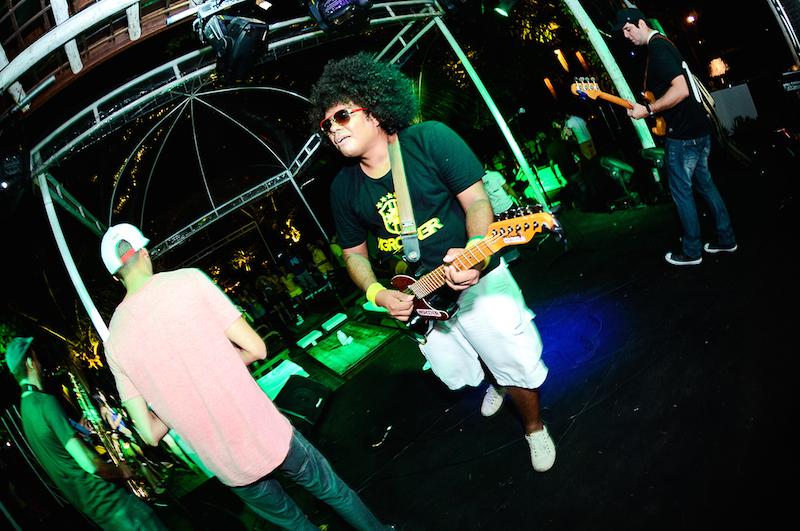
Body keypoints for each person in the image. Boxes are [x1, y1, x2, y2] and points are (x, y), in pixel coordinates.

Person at [308, 52, 556, 472]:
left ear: (374, 110)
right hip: (420, 297)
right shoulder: (342, 188)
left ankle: (534, 426)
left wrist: (475, 248)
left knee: (513, 359)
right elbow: (353, 255)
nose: (333, 128)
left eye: (342, 115)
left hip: (476, 276)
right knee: (460, 374)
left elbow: (477, 201)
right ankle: (494, 378)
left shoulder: (430, 140)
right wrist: (378, 292)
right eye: (326, 124)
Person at [99, 223, 387, 530]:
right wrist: (219, 365)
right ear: (144, 252)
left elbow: (149, 434)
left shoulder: (114, 343)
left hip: (229, 467)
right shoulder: (188, 281)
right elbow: (257, 348)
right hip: (269, 434)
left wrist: (175, 400)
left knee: (296, 524)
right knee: (335, 493)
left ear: (116, 276)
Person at [614, 7, 737, 265]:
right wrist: (648, 105)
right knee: (706, 185)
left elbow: (680, 90)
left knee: (682, 192)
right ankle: (726, 239)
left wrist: (649, 110)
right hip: (699, 130)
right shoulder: (664, 43)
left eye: (628, 29)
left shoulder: (657, 48)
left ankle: (692, 252)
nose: (626, 35)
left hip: (683, 136)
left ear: (640, 23)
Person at [4, 336, 166, 530]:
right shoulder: (45, 402)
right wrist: (122, 471)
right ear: (30, 362)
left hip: (95, 511)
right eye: (36, 359)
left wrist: (78, 432)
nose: (40, 364)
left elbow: (59, 454)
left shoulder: (26, 411)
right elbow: (90, 465)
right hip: (111, 502)